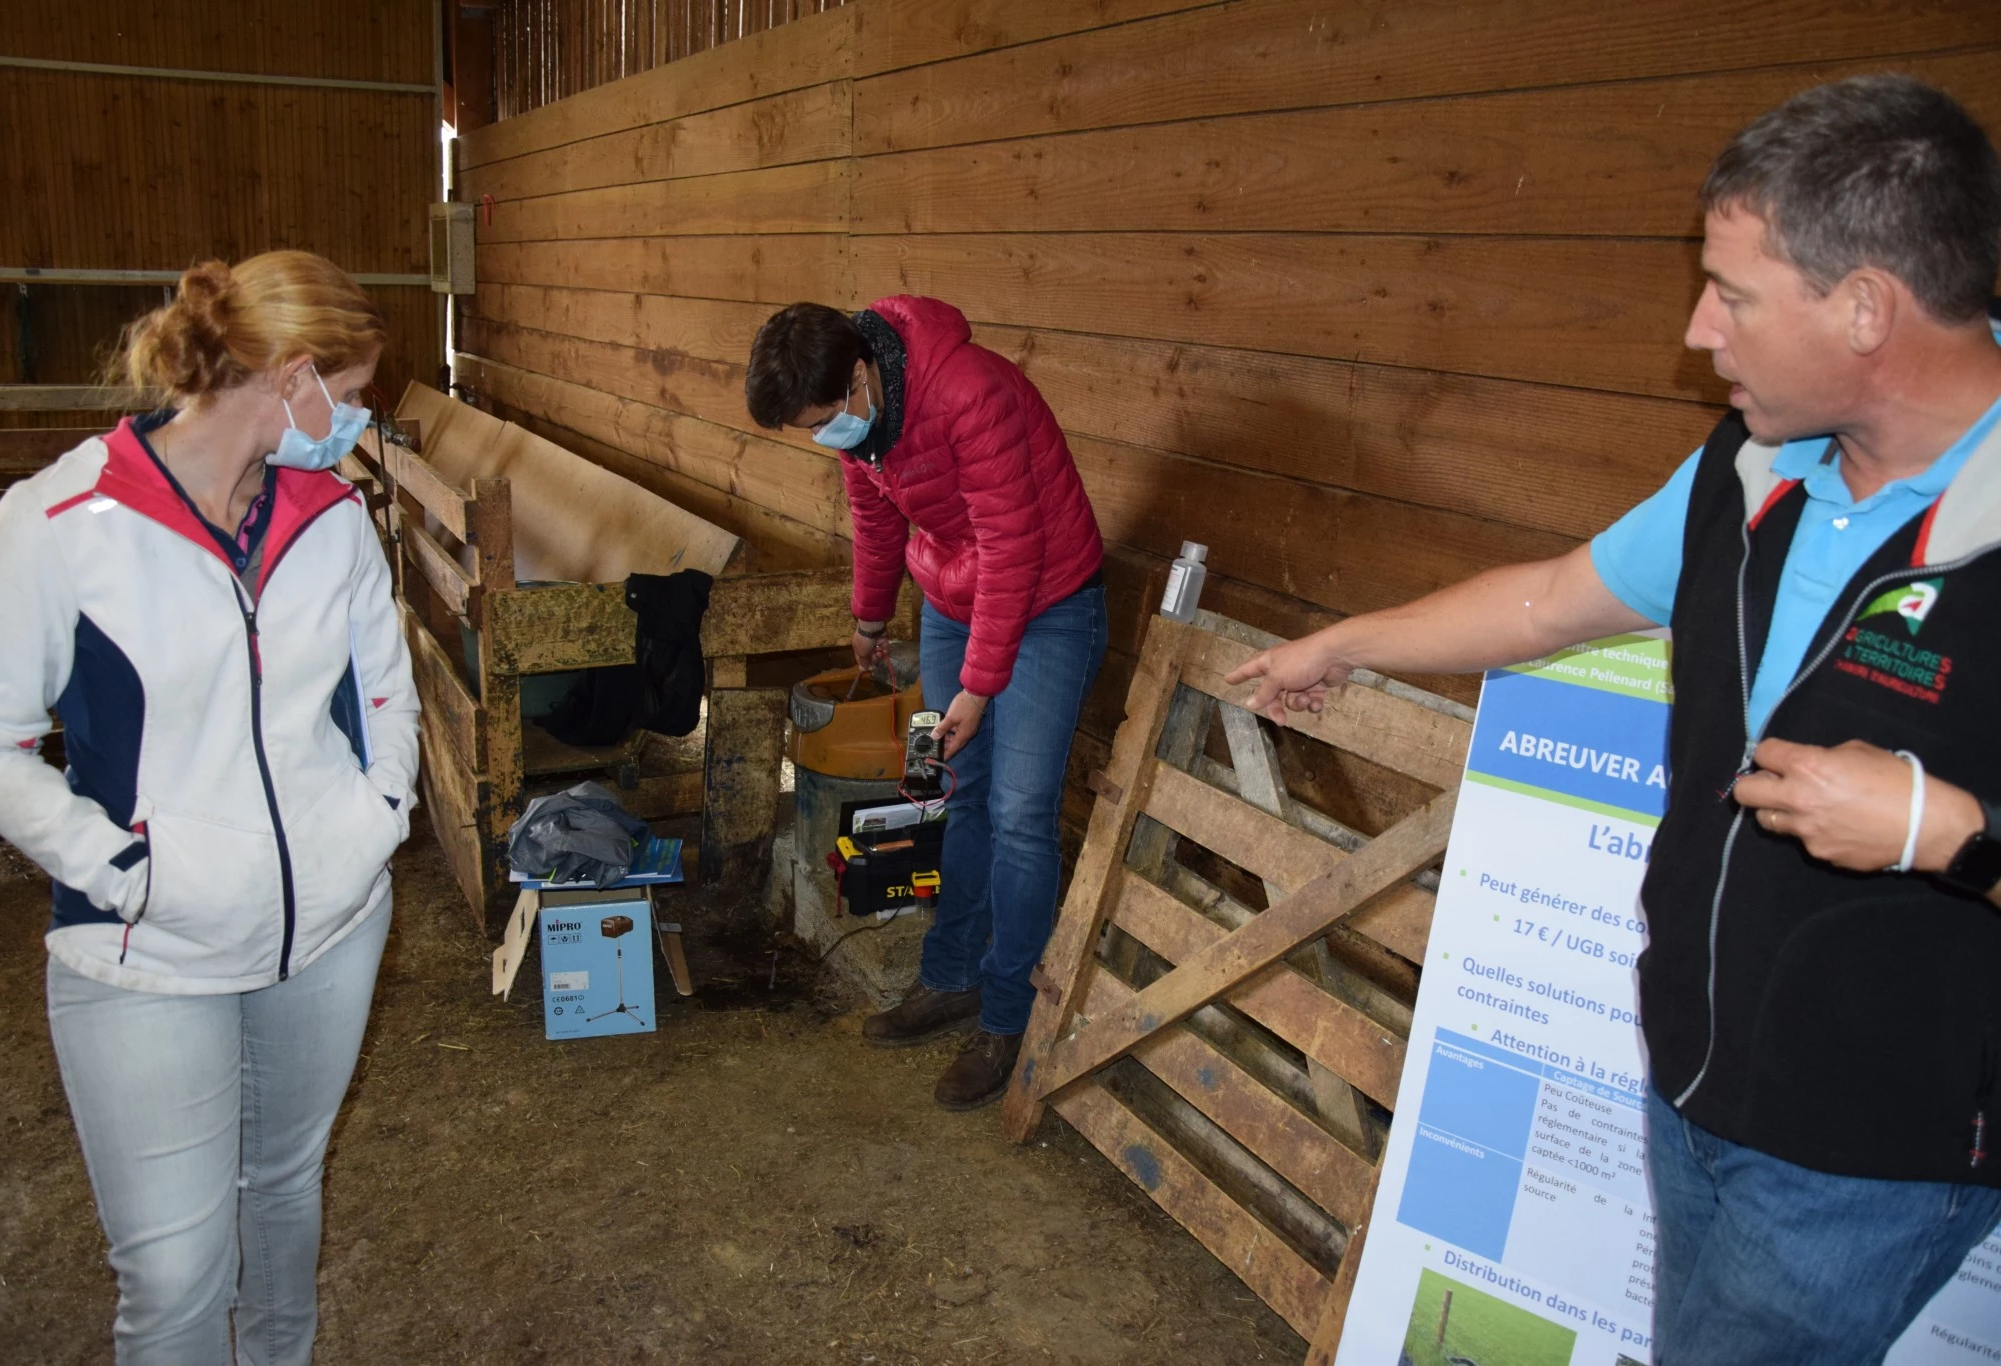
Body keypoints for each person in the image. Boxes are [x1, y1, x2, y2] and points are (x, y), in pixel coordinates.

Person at [1229, 76, 2001, 1363]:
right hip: (1691, 1083)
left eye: (1732, 294)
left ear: (1865, 306)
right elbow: (1544, 603)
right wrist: (1346, 644)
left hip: (1869, 1153)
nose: (1700, 330)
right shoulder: (1749, 469)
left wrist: (1947, 830)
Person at [0, 251, 421, 1363]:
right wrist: (122, 870)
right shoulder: (62, 523)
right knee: (170, 1272)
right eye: (348, 397)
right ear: (292, 376)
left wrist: (373, 819)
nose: (350, 423)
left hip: (331, 930)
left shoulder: (333, 521)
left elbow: (385, 688)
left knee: (283, 1191)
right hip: (147, 954)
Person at [746, 296, 1106, 1110]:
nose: (822, 437)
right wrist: (869, 616)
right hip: (951, 596)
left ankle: (1007, 1017)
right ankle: (950, 979)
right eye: (807, 430)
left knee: (1019, 811)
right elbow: (876, 522)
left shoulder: (968, 393)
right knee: (948, 786)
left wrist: (979, 688)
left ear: (861, 376)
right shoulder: (861, 422)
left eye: (821, 421)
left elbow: (1015, 547)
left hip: (1048, 599)